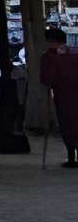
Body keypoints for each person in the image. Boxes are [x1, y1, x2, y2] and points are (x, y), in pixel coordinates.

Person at [40, 25, 78, 167]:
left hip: (64, 97)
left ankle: (71, 157)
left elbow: (46, 79)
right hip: (70, 94)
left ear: (51, 41)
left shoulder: (49, 57)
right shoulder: (74, 53)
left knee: (67, 125)